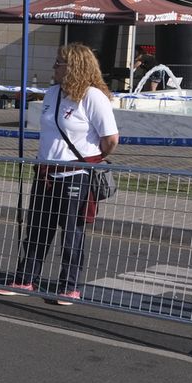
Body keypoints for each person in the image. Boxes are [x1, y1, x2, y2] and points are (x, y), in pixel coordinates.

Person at [10, 43, 118, 304]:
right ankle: (26, 277)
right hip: (47, 172)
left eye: (59, 63)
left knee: (72, 232)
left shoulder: (93, 97)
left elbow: (111, 138)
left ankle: (69, 284)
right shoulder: (52, 93)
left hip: (76, 174)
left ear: (74, 66)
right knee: (38, 228)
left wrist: (93, 158)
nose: (54, 67)